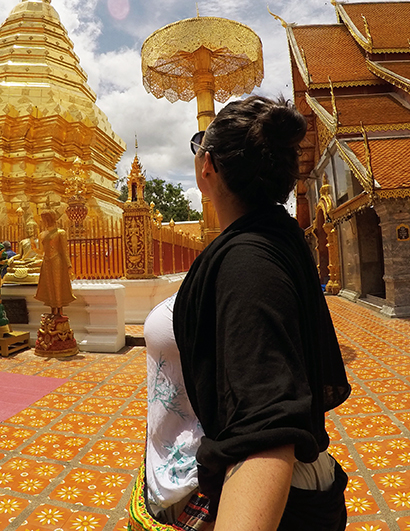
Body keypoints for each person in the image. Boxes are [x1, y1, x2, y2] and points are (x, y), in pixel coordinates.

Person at [139, 95, 351, 531]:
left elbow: (267, 432)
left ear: (207, 169)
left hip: (256, 494)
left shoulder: (247, 265)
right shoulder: (273, 239)